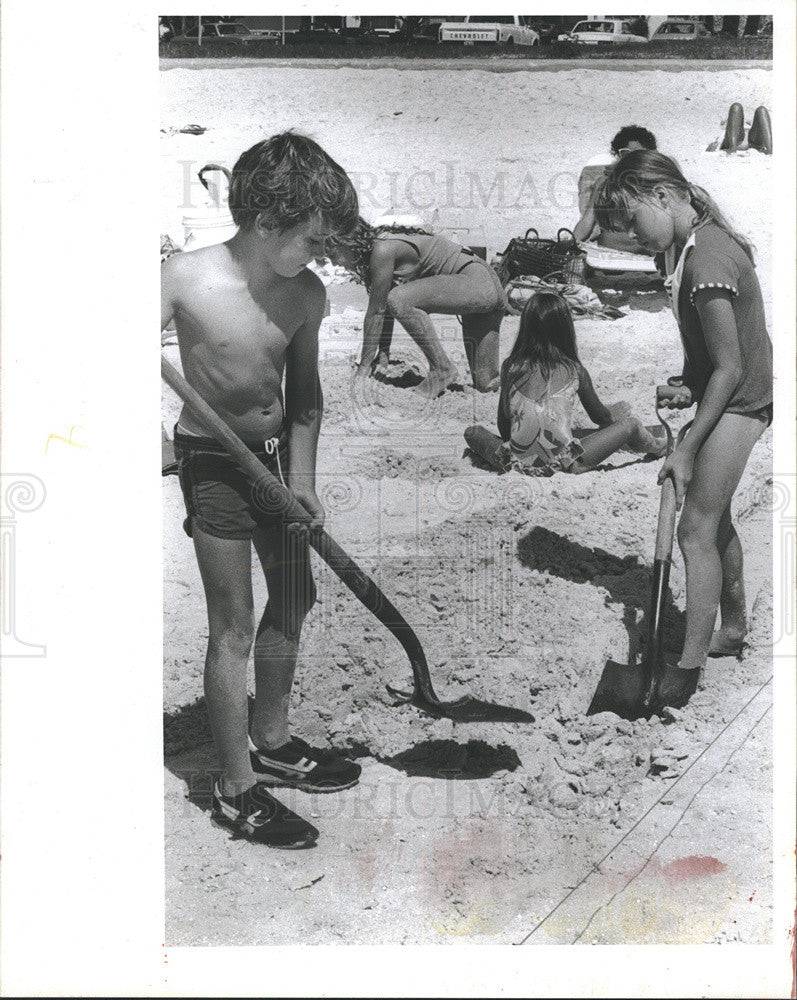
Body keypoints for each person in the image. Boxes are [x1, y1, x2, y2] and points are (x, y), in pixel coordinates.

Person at [161, 132, 361, 848]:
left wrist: (301, 480)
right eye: (311, 239)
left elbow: (304, 396)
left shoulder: (305, 293)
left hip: (276, 461)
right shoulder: (184, 278)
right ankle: (234, 784)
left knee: (296, 596)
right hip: (213, 462)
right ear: (266, 220)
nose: (319, 255)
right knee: (234, 625)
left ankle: (271, 738)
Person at [594, 150, 773, 708]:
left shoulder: (707, 260)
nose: (629, 237)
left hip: (742, 401)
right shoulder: (684, 250)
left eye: (631, 222)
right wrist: (688, 383)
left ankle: (687, 667)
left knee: (693, 527)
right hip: (728, 392)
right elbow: (711, 356)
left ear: (663, 197)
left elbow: (733, 366)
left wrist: (689, 446)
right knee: (711, 516)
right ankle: (734, 627)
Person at [464, 291, 664, 475]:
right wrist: (612, 425)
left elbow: (504, 428)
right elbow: (601, 417)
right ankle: (659, 447)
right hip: (564, 463)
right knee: (630, 425)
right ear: (565, 330)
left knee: (472, 432)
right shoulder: (574, 370)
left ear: (525, 327)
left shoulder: (511, 367)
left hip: (515, 462)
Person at [325, 219, 505, 398]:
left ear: (347, 243)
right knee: (486, 384)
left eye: (333, 255)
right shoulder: (382, 245)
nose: (333, 264)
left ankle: (442, 368)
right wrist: (384, 353)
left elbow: (377, 311)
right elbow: (383, 307)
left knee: (399, 299)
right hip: (486, 286)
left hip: (475, 283)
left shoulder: (382, 248)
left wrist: (363, 368)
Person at [572, 125, 658, 253]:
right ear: (618, 155)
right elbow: (587, 221)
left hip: (646, 254)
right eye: (626, 154)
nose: (631, 160)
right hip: (610, 254)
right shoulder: (604, 183)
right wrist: (570, 244)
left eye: (638, 154)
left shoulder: (656, 184)